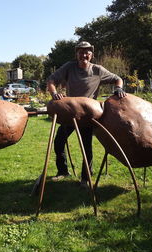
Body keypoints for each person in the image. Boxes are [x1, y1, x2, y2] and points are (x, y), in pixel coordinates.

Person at [47, 41, 126, 187]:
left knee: (86, 146)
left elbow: (117, 79)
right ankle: (63, 171)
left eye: (87, 52)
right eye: (81, 52)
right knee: (58, 142)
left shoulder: (98, 70)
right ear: (76, 54)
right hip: (69, 113)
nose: (84, 55)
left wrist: (118, 88)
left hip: (87, 116)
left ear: (91, 55)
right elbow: (51, 79)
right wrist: (54, 93)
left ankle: (86, 177)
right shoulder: (69, 67)